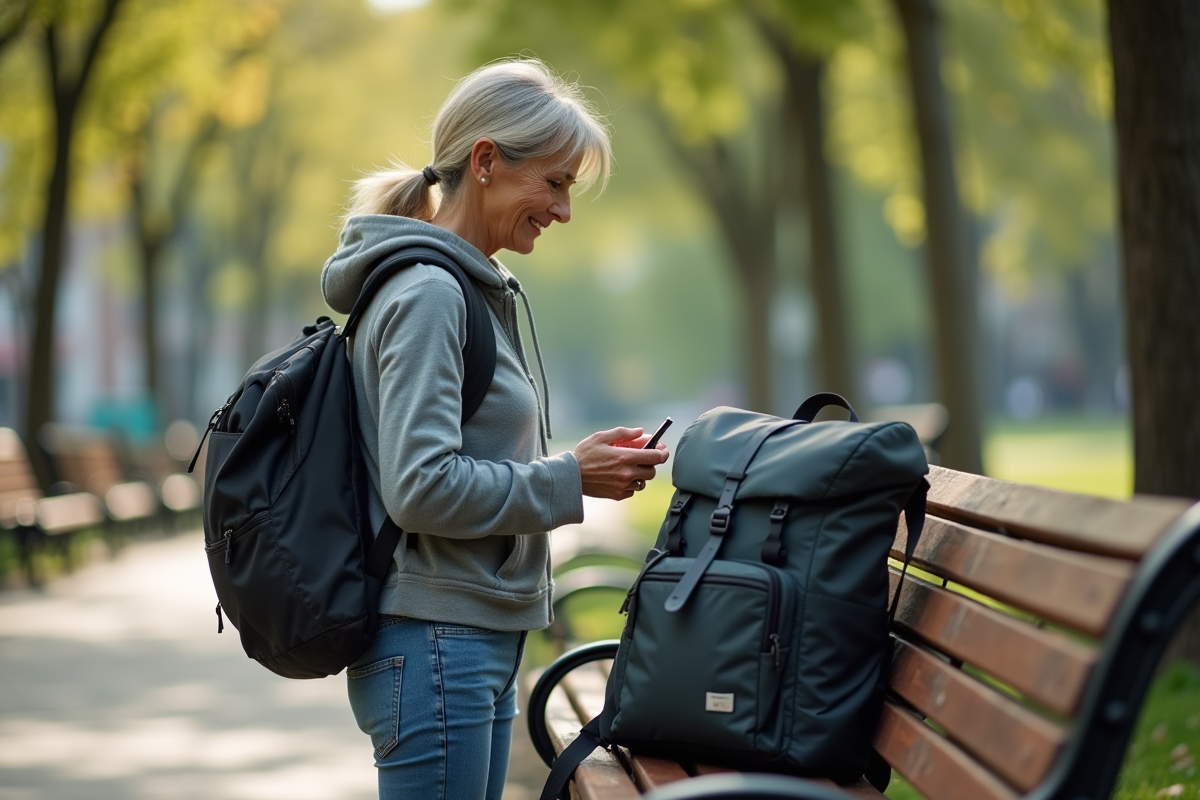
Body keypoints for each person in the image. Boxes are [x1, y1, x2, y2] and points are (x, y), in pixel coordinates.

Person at [319, 59, 670, 800]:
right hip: (436, 639)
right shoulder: (430, 296)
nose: (565, 210)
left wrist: (572, 467)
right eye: (556, 183)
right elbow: (420, 488)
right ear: (486, 162)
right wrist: (570, 479)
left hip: (465, 637)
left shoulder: (464, 289)